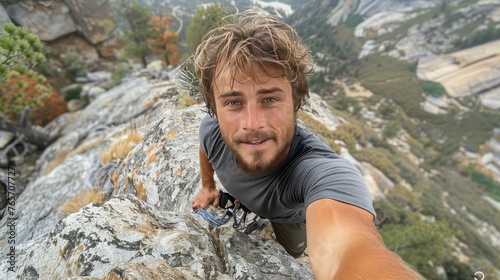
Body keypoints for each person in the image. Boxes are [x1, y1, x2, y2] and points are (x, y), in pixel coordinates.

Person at [191, 11, 423, 279]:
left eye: (269, 99)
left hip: (287, 219)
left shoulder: (316, 172)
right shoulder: (211, 130)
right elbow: (204, 146)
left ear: (295, 103)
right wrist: (208, 185)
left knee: (291, 250)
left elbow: (346, 250)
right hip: (251, 199)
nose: (252, 124)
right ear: (215, 111)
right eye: (233, 102)